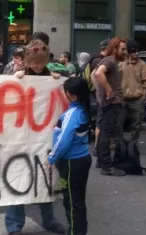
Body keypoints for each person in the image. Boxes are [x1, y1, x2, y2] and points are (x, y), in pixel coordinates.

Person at [7, 39, 65, 235]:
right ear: (28, 60)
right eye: (34, 62)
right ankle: (14, 225)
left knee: (45, 180)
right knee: (17, 180)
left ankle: (49, 220)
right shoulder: (18, 75)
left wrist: (56, 79)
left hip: (43, 139)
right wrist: (15, 77)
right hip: (20, 138)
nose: (38, 66)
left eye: (41, 62)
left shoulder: (51, 76)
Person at [48, 77, 92, 235]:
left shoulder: (72, 114)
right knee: (77, 200)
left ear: (72, 95)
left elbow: (63, 141)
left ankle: (76, 231)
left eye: (65, 91)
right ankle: (78, 230)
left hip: (71, 163)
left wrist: (52, 158)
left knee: (72, 202)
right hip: (80, 160)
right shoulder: (82, 109)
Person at [92, 37, 127, 177]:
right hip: (111, 103)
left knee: (103, 133)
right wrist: (108, 90)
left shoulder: (108, 61)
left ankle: (102, 162)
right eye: (122, 49)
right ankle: (106, 166)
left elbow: (94, 75)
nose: (125, 52)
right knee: (107, 134)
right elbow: (98, 74)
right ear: (114, 49)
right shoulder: (110, 61)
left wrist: (101, 93)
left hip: (107, 103)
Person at [118, 40, 146, 144]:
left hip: (137, 99)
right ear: (128, 52)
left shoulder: (142, 64)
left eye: (138, 51)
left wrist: (143, 96)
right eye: (134, 51)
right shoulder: (121, 64)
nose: (137, 53)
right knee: (119, 122)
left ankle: (133, 144)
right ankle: (120, 144)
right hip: (122, 99)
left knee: (136, 124)